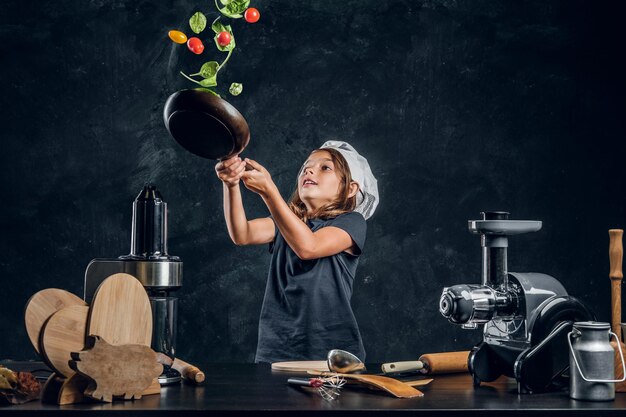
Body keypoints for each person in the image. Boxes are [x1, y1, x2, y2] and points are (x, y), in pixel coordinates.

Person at [214, 140, 379, 363]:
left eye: (325, 167)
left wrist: (269, 192)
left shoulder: (351, 222)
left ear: (350, 189)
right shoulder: (284, 224)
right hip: (277, 346)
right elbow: (242, 234)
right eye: (306, 167)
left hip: (331, 351)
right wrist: (231, 185)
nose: (309, 170)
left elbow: (308, 247)